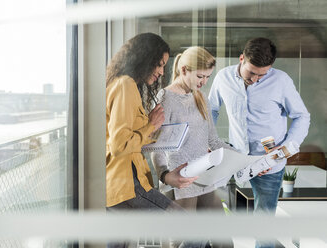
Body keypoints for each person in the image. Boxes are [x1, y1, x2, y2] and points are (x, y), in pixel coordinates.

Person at [106, 33, 207, 248]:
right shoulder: (125, 85)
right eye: (159, 65)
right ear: (144, 58)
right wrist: (151, 124)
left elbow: (129, 139)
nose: (162, 71)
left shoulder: (120, 83)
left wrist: (158, 134)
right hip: (128, 184)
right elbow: (119, 145)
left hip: (119, 185)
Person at [208, 37, 310, 248]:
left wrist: (286, 148)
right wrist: (207, 140)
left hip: (269, 163)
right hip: (234, 156)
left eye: (262, 74)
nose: (255, 79)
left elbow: (302, 116)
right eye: (251, 72)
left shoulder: (281, 81)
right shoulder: (223, 77)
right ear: (241, 58)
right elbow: (212, 110)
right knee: (213, 210)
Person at [151, 46, 234, 248]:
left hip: (204, 180)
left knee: (224, 241)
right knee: (180, 244)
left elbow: (213, 141)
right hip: (180, 182)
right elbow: (157, 147)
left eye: (207, 77)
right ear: (184, 70)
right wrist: (165, 175)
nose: (204, 82)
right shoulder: (165, 98)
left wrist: (244, 158)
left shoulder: (201, 97)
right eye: (200, 76)